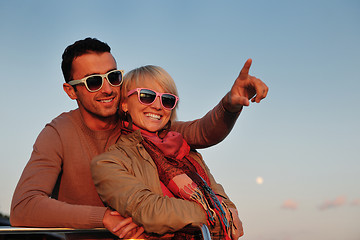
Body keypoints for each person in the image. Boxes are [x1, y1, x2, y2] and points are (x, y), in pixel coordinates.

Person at [10, 37, 268, 239]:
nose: (108, 88)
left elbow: (202, 131)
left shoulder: (144, 126)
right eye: (93, 82)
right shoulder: (58, 132)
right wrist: (102, 218)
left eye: (113, 77)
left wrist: (231, 105)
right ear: (71, 91)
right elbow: (24, 207)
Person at [91, 65, 242, 240]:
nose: (157, 106)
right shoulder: (110, 162)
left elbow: (227, 203)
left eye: (167, 100)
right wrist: (217, 214)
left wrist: (219, 213)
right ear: (124, 104)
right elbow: (150, 211)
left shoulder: (187, 153)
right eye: (146, 96)